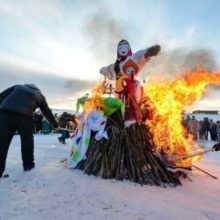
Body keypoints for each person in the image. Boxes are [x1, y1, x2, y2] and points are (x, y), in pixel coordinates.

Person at [0, 84, 58, 178]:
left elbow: (1, 96)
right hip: (25, 116)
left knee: (2, 142)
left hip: (5, 113)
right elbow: (47, 112)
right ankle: (28, 165)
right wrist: (55, 125)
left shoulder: (18, 86)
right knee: (27, 141)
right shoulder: (40, 96)